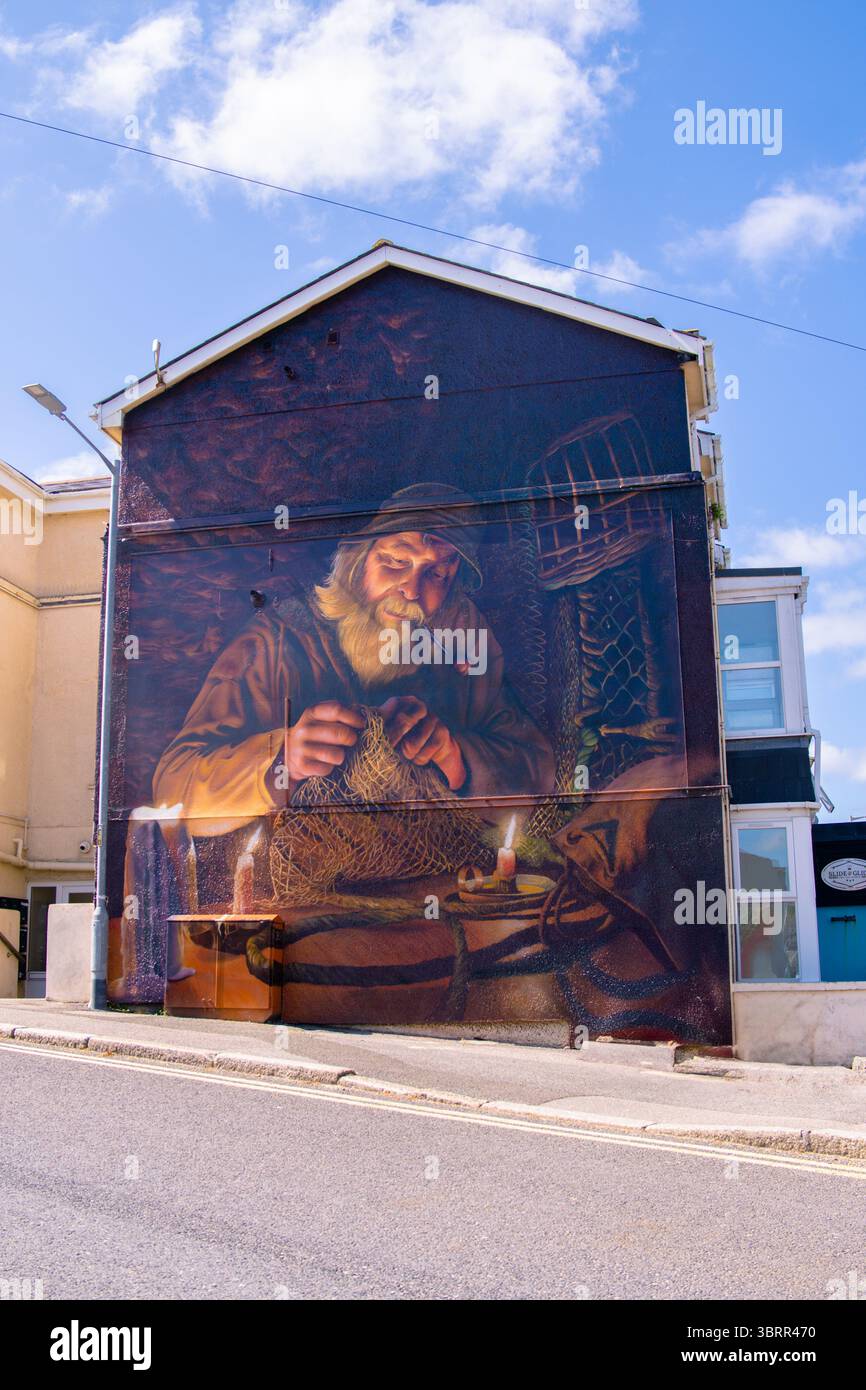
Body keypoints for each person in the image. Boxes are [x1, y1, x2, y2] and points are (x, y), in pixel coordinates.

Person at [152, 484, 554, 835]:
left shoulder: (460, 651)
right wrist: (282, 759)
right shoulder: (274, 643)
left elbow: (537, 774)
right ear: (357, 562)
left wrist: (456, 755)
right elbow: (173, 786)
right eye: (396, 562)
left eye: (437, 575)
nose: (411, 590)